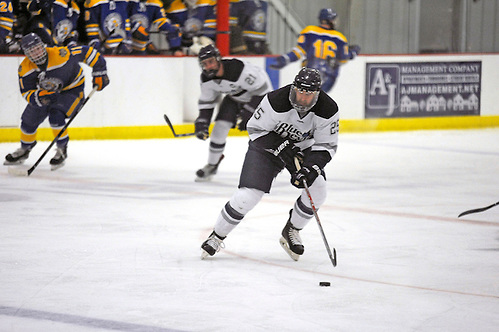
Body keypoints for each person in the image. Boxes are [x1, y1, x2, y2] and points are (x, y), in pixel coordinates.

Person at [200, 67, 339, 261]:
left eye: (309, 95)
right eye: (300, 92)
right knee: (248, 196)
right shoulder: (275, 100)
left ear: (317, 94)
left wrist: (309, 168)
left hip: (302, 150)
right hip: (266, 148)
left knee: (318, 189)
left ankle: (292, 230)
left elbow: (326, 145)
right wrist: (281, 146)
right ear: (294, 88)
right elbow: (255, 129)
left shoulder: (328, 109)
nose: (303, 99)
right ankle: (217, 236)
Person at [3, 32, 109, 170]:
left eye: (37, 48)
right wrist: (40, 97)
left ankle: (61, 149)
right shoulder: (25, 68)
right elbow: (26, 92)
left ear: (43, 46)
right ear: (26, 54)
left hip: (72, 90)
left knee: (56, 115)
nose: (36, 53)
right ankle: (25, 149)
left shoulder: (61, 54)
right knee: (28, 121)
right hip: (48, 93)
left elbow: (89, 52)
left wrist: (99, 71)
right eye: (31, 51)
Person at [194, 44, 272, 182]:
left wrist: (249, 112)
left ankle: (266, 167)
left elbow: (264, 92)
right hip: (234, 98)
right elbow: (207, 102)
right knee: (219, 130)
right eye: (204, 64)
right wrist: (202, 122)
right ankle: (212, 165)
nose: (209, 66)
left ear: (218, 59)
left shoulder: (240, 70)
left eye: (211, 61)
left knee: (260, 135)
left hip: (260, 100)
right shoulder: (206, 79)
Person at [269, 8, 360, 93]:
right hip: (329, 75)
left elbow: (298, 52)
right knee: (319, 100)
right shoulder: (339, 37)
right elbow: (343, 59)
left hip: (310, 73)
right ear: (330, 20)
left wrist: (286, 58)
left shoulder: (310, 31)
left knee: (307, 97)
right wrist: (353, 53)